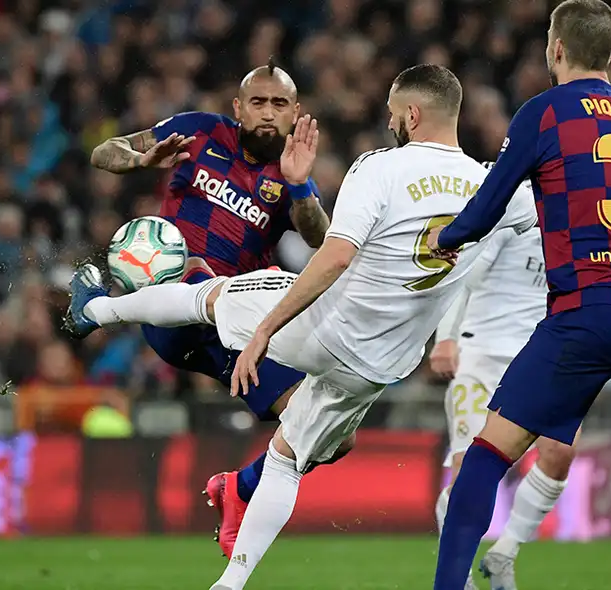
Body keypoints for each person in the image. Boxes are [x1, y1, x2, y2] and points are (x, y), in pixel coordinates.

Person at [66, 64, 538, 590]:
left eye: (392, 113)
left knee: (220, 307)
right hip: (379, 364)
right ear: (238, 107)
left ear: (410, 114)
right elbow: (550, 213)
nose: (388, 122)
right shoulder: (497, 191)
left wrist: (267, 327)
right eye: (258, 102)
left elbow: (332, 251)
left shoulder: (379, 167)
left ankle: (96, 312)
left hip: (317, 326)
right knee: (286, 452)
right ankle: (231, 579)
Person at [427, 1, 611, 589]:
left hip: (587, 312)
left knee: (488, 454)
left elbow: (485, 209)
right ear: (610, 53)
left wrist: (445, 237)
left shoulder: (545, 113)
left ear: (555, 48)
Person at [81, 61, 333, 556]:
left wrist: (301, 185)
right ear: (238, 107)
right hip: (175, 309)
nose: (267, 113)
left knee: (325, 430)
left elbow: (320, 238)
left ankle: (238, 488)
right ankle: (96, 309)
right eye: (257, 102)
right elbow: (102, 152)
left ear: (295, 112)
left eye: (279, 104)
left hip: (236, 335)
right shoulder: (199, 132)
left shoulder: (290, 172)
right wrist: (138, 160)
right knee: (195, 263)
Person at [430, 197, 576, 590]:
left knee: (560, 452)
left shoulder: (585, 207)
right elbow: (464, 271)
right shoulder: (518, 202)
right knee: (468, 469)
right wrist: (446, 338)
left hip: (539, 357)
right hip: (481, 353)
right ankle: (459, 576)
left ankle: (504, 553)